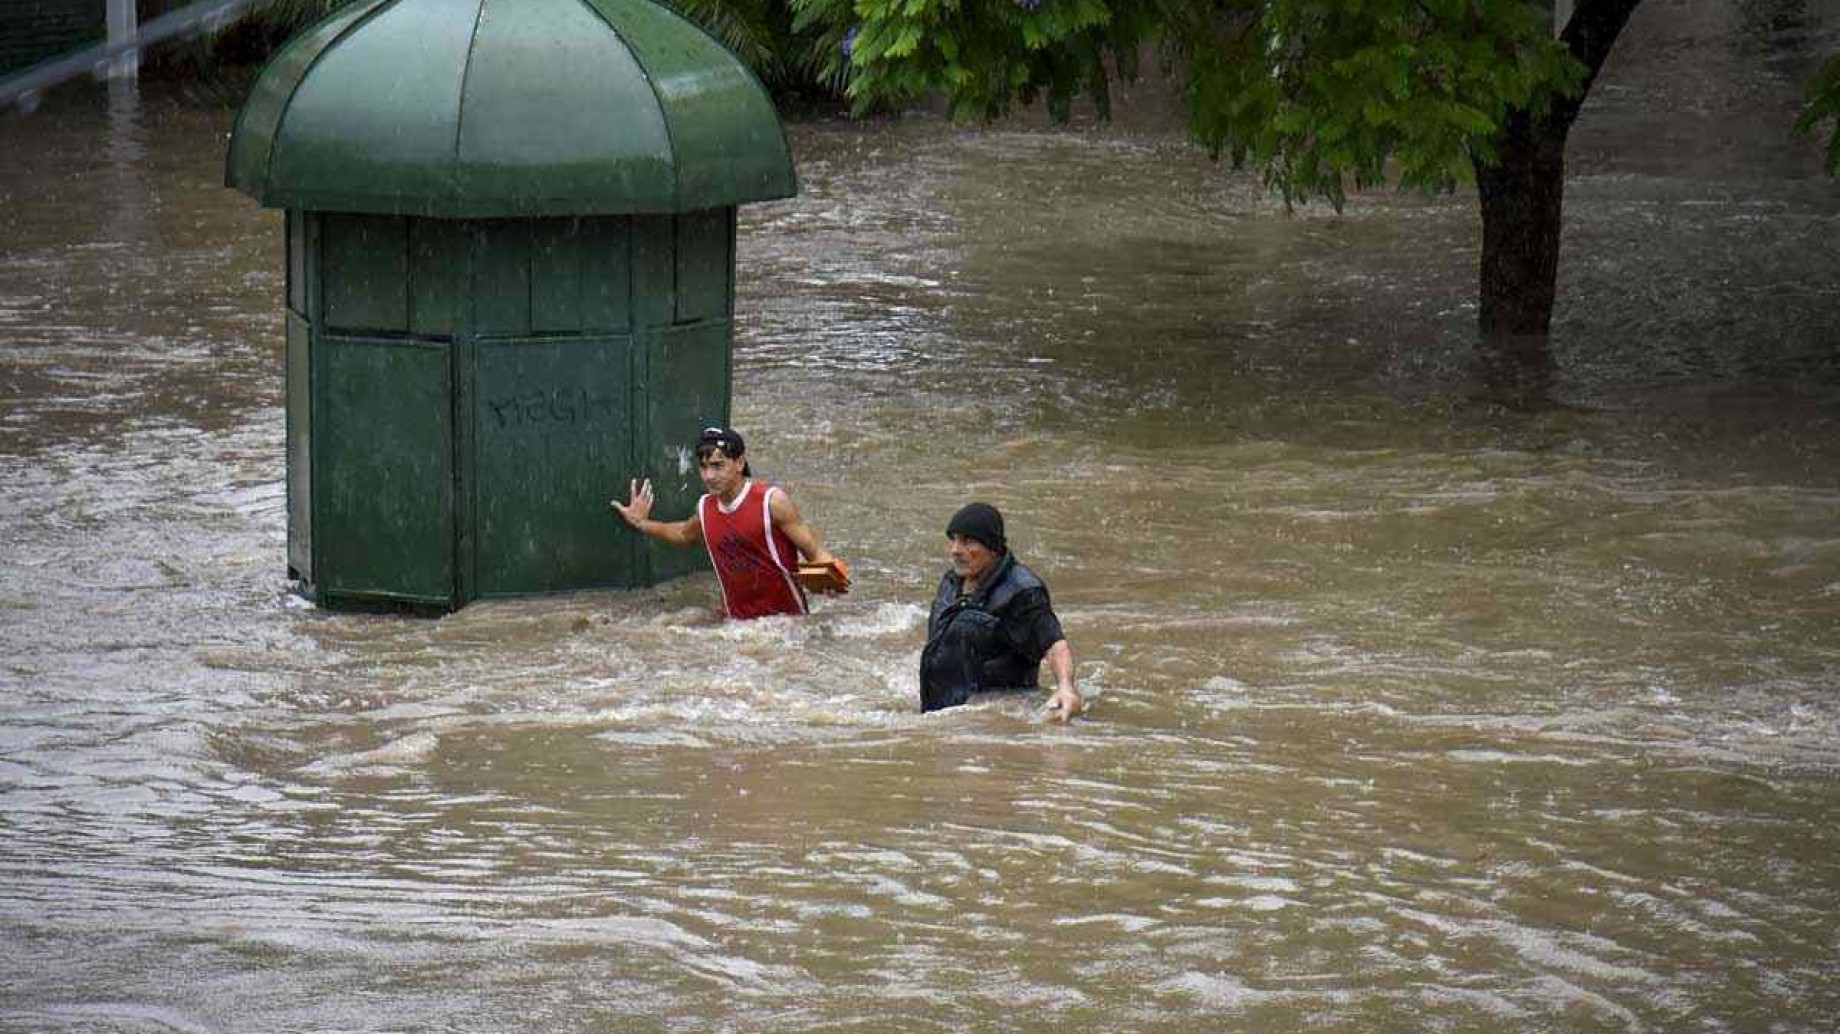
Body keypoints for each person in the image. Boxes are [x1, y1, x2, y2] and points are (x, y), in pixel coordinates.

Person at [611, 426, 843, 620]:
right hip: (735, 626)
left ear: (740, 462)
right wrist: (641, 522)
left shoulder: (772, 502)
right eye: (703, 467)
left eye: (717, 465)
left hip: (788, 624)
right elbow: (683, 533)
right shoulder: (705, 508)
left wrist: (832, 581)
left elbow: (814, 551)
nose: (709, 476)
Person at [920, 502, 1084, 720]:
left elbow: (1054, 644)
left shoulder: (1022, 591)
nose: (956, 550)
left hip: (988, 720)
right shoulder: (952, 582)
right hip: (941, 712)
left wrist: (1065, 687)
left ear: (993, 548)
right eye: (954, 539)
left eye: (968, 541)